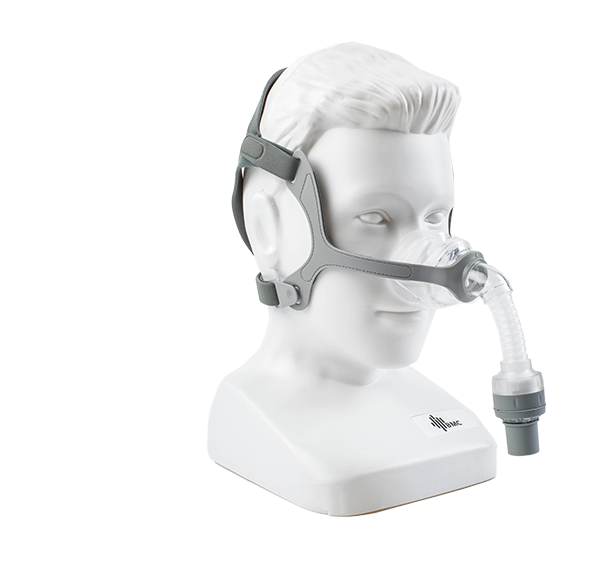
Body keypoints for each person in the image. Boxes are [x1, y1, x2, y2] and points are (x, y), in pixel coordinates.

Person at [209, 43, 497, 515]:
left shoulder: (445, 417)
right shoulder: (248, 420)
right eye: (376, 218)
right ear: (267, 229)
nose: (433, 266)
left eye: (434, 217)